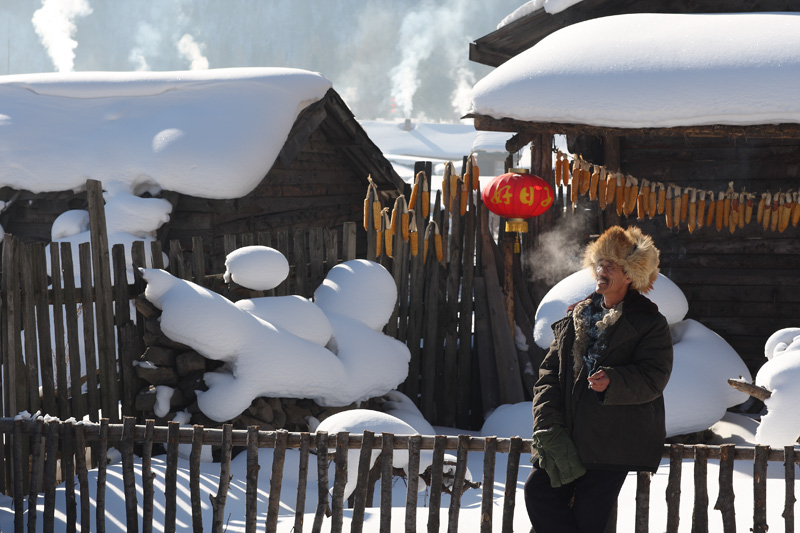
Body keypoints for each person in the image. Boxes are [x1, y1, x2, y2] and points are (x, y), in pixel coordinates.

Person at [525, 225, 673, 533]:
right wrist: (548, 421)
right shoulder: (575, 317)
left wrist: (614, 382)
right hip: (566, 437)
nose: (601, 270)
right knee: (538, 494)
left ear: (630, 275)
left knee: (590, 520)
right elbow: (548, 375)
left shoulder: (649, 323)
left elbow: (654, 376)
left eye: (612, 265)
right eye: (600, 263)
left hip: (612, 443)